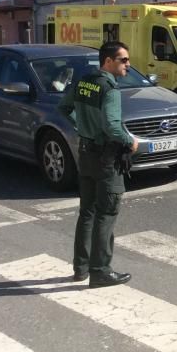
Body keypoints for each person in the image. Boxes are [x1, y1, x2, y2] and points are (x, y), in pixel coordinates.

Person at [58, 41, 139, 286]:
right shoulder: (110, 90)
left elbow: (64, 107)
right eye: (123, 60)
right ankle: (101, 270)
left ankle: (81, 268)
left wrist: (81, 127)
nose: (128, 64)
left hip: (86, 154)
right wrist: (130, 141)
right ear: (108, 62)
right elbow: (113, 127)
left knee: (87, 213)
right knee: (106, 213)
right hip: (106, 159)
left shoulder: (84, 82)